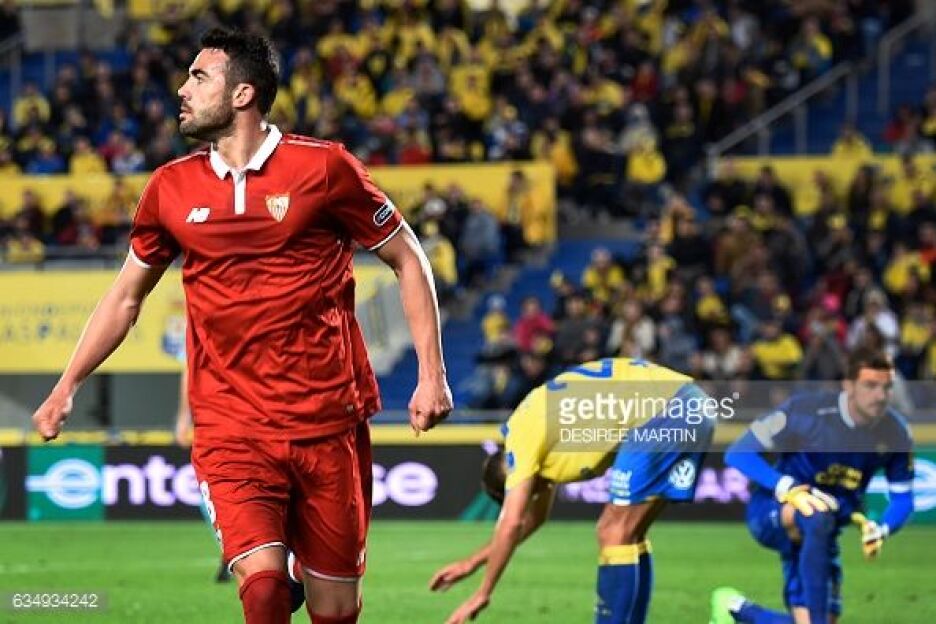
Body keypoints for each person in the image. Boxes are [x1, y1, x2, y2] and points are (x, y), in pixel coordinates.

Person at [31, 28, 452, 624]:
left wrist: (432, 375)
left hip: (327, 421)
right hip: (232, 427)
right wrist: (66, 385)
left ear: (243, 94)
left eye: (198, 77)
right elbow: (125, 297)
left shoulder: (324, 168)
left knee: (336, 611)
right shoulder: (169, 189)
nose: (182, 90)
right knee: (264, 591)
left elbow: (408, 256)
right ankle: (278, 576)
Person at [430, 357, 716, 623]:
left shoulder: (520, 445)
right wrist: (472, 563)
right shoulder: (536, 433)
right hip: (688, 402)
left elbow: (512, 523)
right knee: (630, 533)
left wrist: (482, 593)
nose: (534, 495)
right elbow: (534, 519)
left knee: (613, 531)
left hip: (664, 410)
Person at [710, 348, 914, 624]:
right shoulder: (804, 411)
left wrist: (882, 528)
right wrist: (787, 486)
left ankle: (736, 609)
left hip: (825, 530)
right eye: (870, 385)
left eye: (887, 387)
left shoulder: (896, 432)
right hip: (773, 510)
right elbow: (738, 453)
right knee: (815, 514)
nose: (880, 396)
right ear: (849, 385)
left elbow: (903, 498)